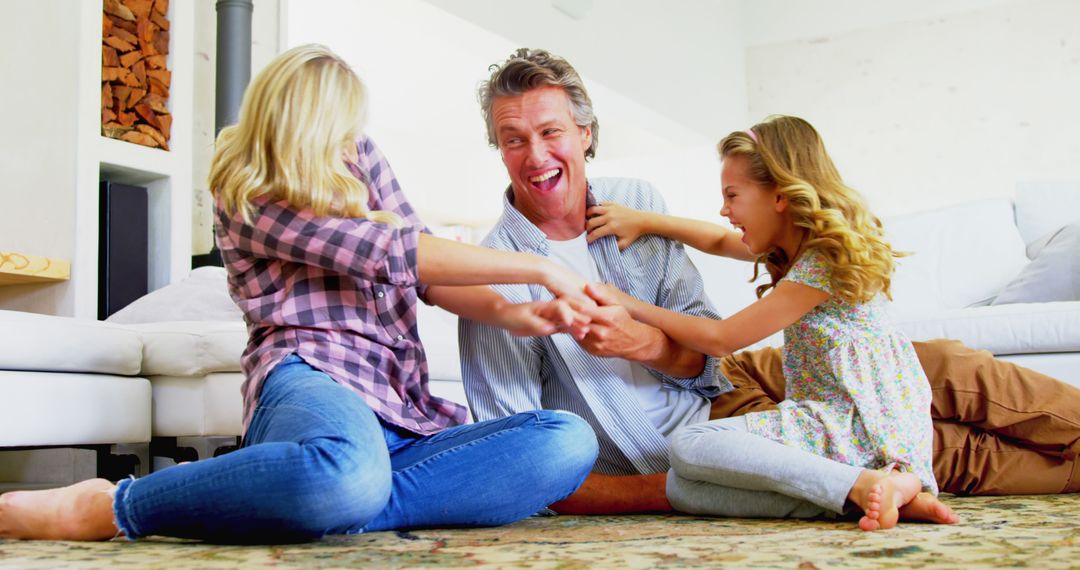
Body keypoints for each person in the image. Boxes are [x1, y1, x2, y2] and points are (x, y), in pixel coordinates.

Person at [0, 44, 600, 542]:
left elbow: (427, 271)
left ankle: (330, 500)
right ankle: (113, 505)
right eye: (341, 129)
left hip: (397, 407)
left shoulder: (360, 154)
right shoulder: (248, 187)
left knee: (566, 441)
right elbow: (389, 251)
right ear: (304, 124)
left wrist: (512, 311)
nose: (354, 144)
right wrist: (542, 269)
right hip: (311, 379)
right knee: (344, 470)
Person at [460, 47, 1080, 519]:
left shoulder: (632, 204)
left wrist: (643, 339)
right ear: (499, 149)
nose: (535, 155)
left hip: (734, 376)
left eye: (551, 132)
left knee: (941, 365)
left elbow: (712, 337)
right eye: (514, 139)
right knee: (935, 447)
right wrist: (677, 491)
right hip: (689, 437)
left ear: (585, 134)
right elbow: (518, 461)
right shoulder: (495, 276)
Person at [589, 115, 957, 530]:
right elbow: (716, 239)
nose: (724, 210)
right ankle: (879, 493)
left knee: (690, 445)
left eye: (732, 195)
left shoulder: (821, 263)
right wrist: (646, 221)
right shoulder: (793, 246)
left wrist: (630, 305)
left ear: (779, 197)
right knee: (684, 489)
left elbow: (721, 338)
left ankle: (861, 484)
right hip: (840, 426)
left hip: (852, 425)